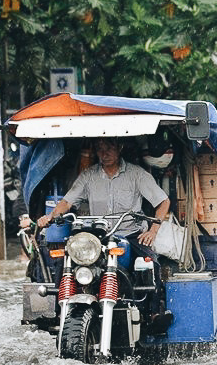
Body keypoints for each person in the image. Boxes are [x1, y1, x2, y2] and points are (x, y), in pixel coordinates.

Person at [37, 137, 171, 323]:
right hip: (98, 236)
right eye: (100, 149)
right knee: (66, 259)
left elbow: (163, 201)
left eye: (109, 148)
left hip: (129, 233)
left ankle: (154, 313)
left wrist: (153, 231)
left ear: (120, 147)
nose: (104, 153)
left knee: (152, 263)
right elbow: (67, 202)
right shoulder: (88, 175)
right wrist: (50, 217)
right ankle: (59, 313)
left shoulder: (136, 174)